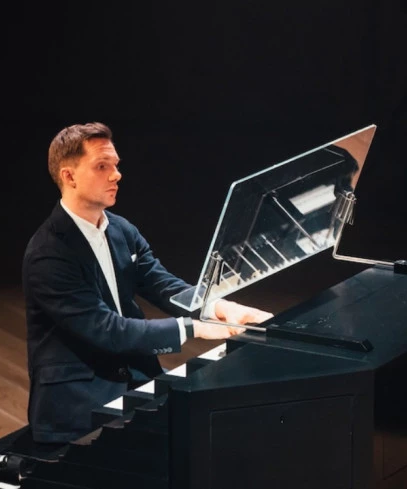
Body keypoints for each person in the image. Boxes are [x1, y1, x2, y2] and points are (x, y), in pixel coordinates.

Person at [22, 122, 273, 444]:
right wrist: (192, 328)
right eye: (102, 166)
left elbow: (161, 284)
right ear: (69, 176)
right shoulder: (49, 253)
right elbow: (105, 329)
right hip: (77, 401)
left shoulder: (122, 230)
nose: (116, 175)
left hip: (135, 377)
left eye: (115, 165)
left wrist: (219, 306)